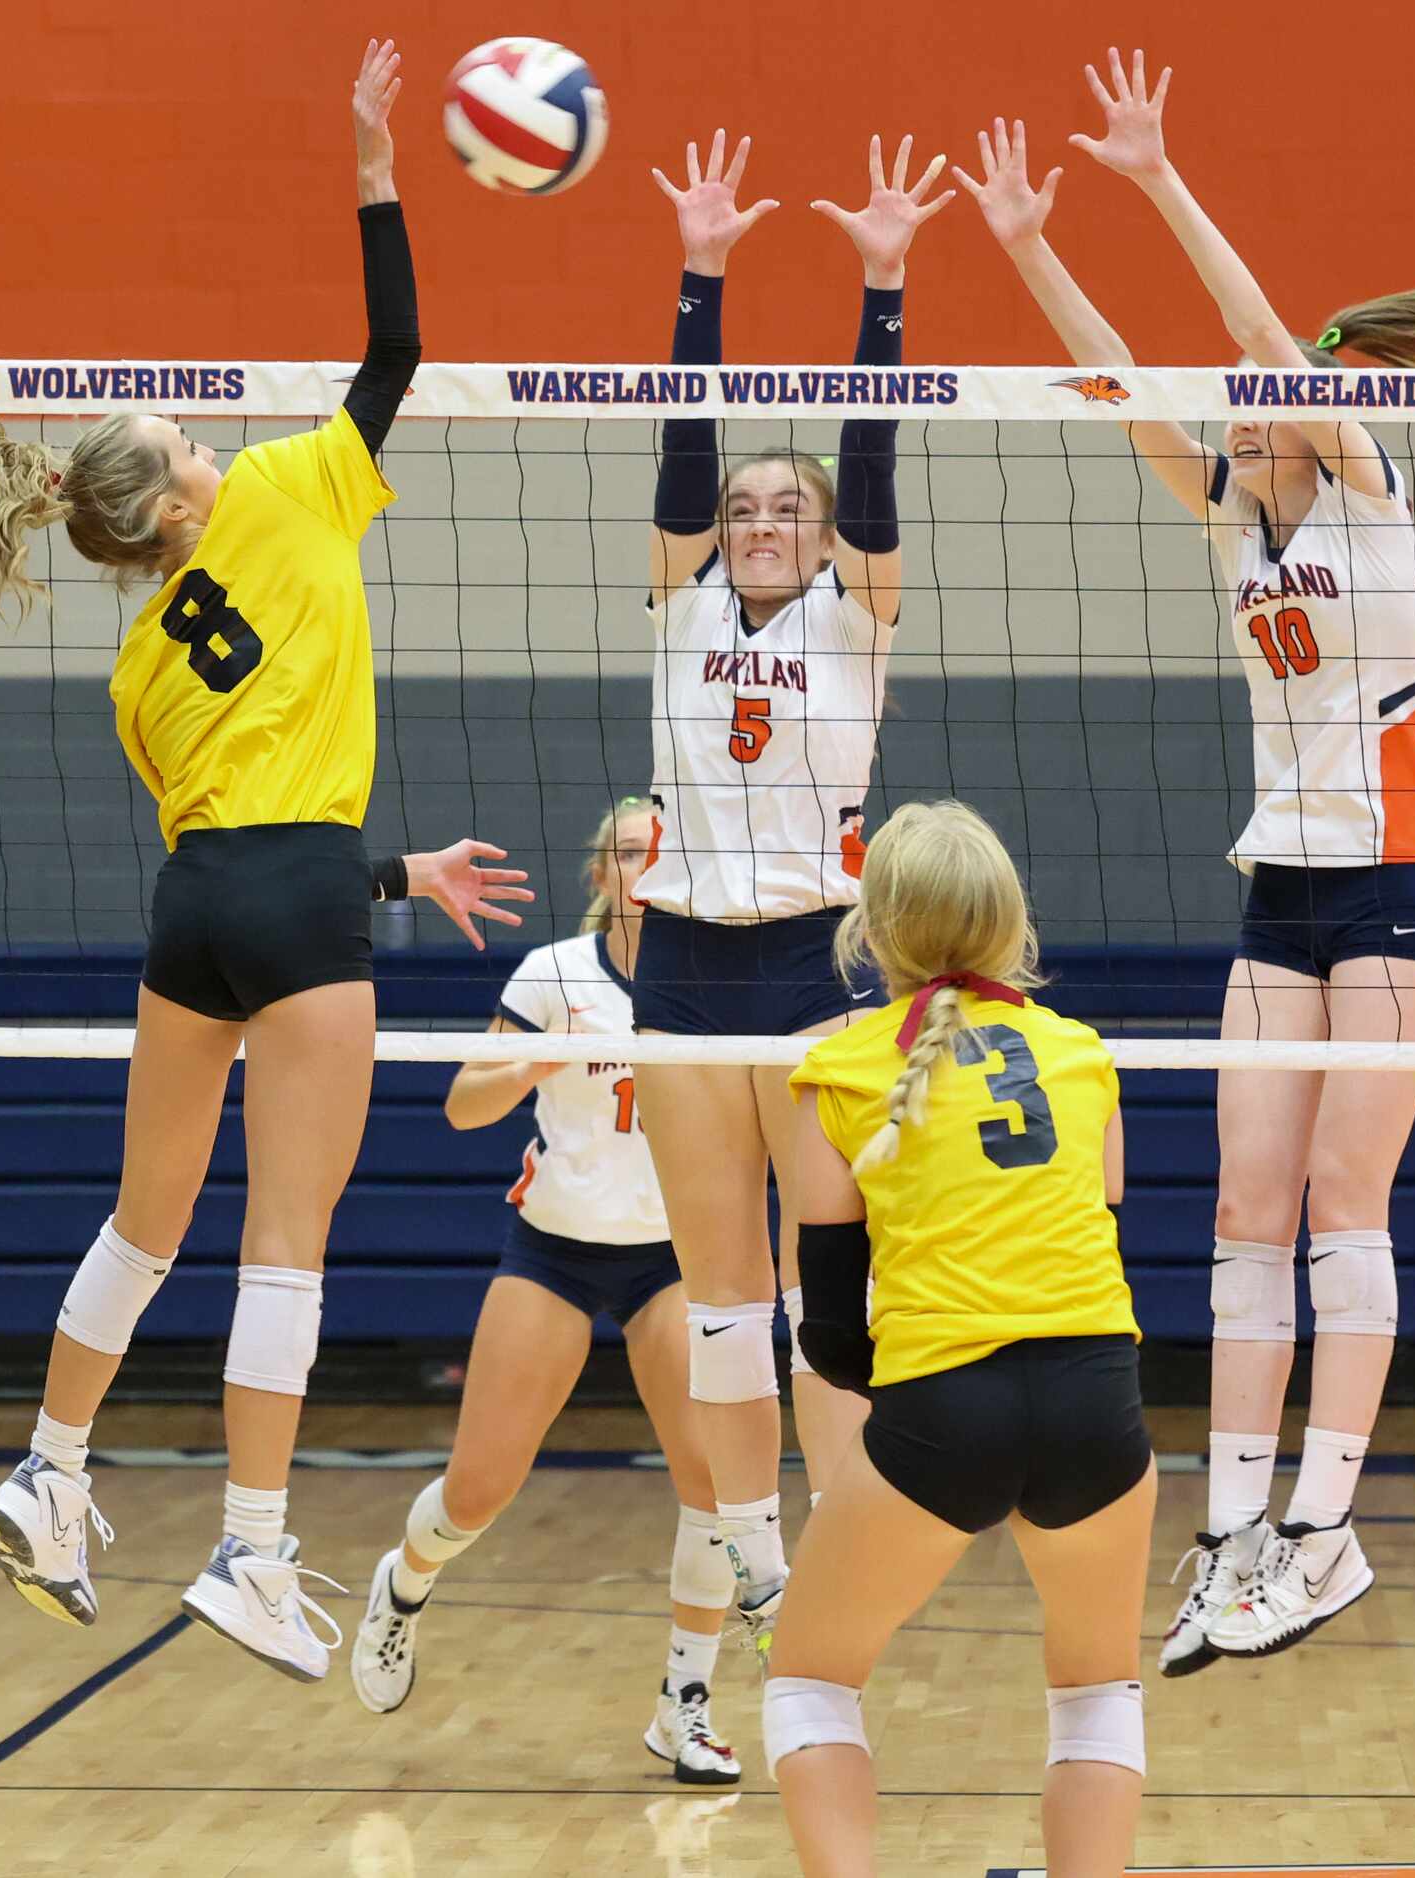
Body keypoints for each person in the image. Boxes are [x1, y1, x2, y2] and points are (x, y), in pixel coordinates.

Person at [953, 53, 1415, 1672]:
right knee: (1239, 1204)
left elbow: (1263, 341)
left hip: (1398, 881)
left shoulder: (1364, 486)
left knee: (1346, 1197)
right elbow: (1109, 378)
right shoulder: (1233, 519)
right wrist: (1023, 240)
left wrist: (1153, 177)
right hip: (1277, 888)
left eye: (1259, 382)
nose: (1236, 397)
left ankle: (1324, 1531)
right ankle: (1226, 1538)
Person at [0, 39, 531, 1682]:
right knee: (287, 1238)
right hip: (292, 906)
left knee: (147, 1222)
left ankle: (52, 1469)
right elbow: (402, 348)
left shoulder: (133, 667)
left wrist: (391, 871)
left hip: (199, 911)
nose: (202, 431)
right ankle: (256, 1551)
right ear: (178, 501)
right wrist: (371, 158)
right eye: (181, 434)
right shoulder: (288, 491)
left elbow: (239, 825)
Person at [631, 128, 952, 1655]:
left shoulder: (855, 620)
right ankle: (754, 1545)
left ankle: (848, 1530)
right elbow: (679, 457)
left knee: (829, 1293)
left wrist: (880, 286)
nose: (759, 521)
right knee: (717, 1290)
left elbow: (872, 465)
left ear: (824, 539)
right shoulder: (680, 599)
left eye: (788, 509)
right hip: (683, 959)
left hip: (816, 970)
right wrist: (700, 273)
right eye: (747, 506)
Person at [765, 799, 1155, 1878]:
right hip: (1098, 1400)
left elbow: (833, 1331)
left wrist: (901, 1443)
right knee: (1094, 1698)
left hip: (945, 1404)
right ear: (1008, 923)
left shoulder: (839, 1073)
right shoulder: (1080, 1055)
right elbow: (1100, 1227)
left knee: (809, 1684)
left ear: (872, 929)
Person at [348, 798, 744, 1784]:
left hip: (672, 1255)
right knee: (480, 1489)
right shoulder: (554, 974)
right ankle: (403, 1585)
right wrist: (532, 1060)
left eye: (659, 855)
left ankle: (682, 1706)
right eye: (625, 854)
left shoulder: (718, 979)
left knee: (718, 1492)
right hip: (556, 1249)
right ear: (601, 874)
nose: (643, 869)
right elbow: (460, 1106)